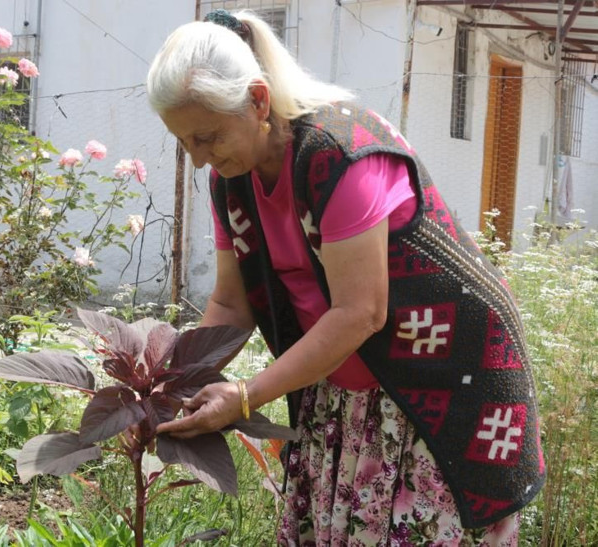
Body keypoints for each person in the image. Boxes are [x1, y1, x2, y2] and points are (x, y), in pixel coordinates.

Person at [147, 9, 545, 546]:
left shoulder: (337, 151)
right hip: (343, 383)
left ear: (258, 101)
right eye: (185, 143)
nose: (198, 160)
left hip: (440, 385)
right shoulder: (232, 179)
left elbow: (362, 312)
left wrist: (245, 395)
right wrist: (164, 387)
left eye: (207, 137)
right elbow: (231, 305)